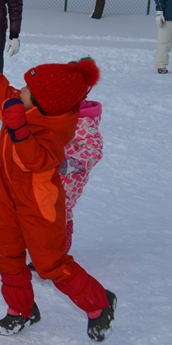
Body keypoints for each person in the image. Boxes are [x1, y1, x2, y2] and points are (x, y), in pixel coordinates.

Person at [0, 26, 116, 342]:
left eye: (27, 88)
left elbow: (36, 161)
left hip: (39, 204)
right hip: (7, 195)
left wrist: (19, 129)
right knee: (4, 252)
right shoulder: (19, 103)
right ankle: (22, 310)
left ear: (43, 103)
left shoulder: (53, 131)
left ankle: (99, 303)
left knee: (50, 264)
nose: (20, 89)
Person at [59, 100, 103, 252]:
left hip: (70, 177)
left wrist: (72, 164)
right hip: (51, 170)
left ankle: (59, 253)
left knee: (60, 211)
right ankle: (44, 249)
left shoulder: (82, 120)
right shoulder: (57, 111)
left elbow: (94, 148)